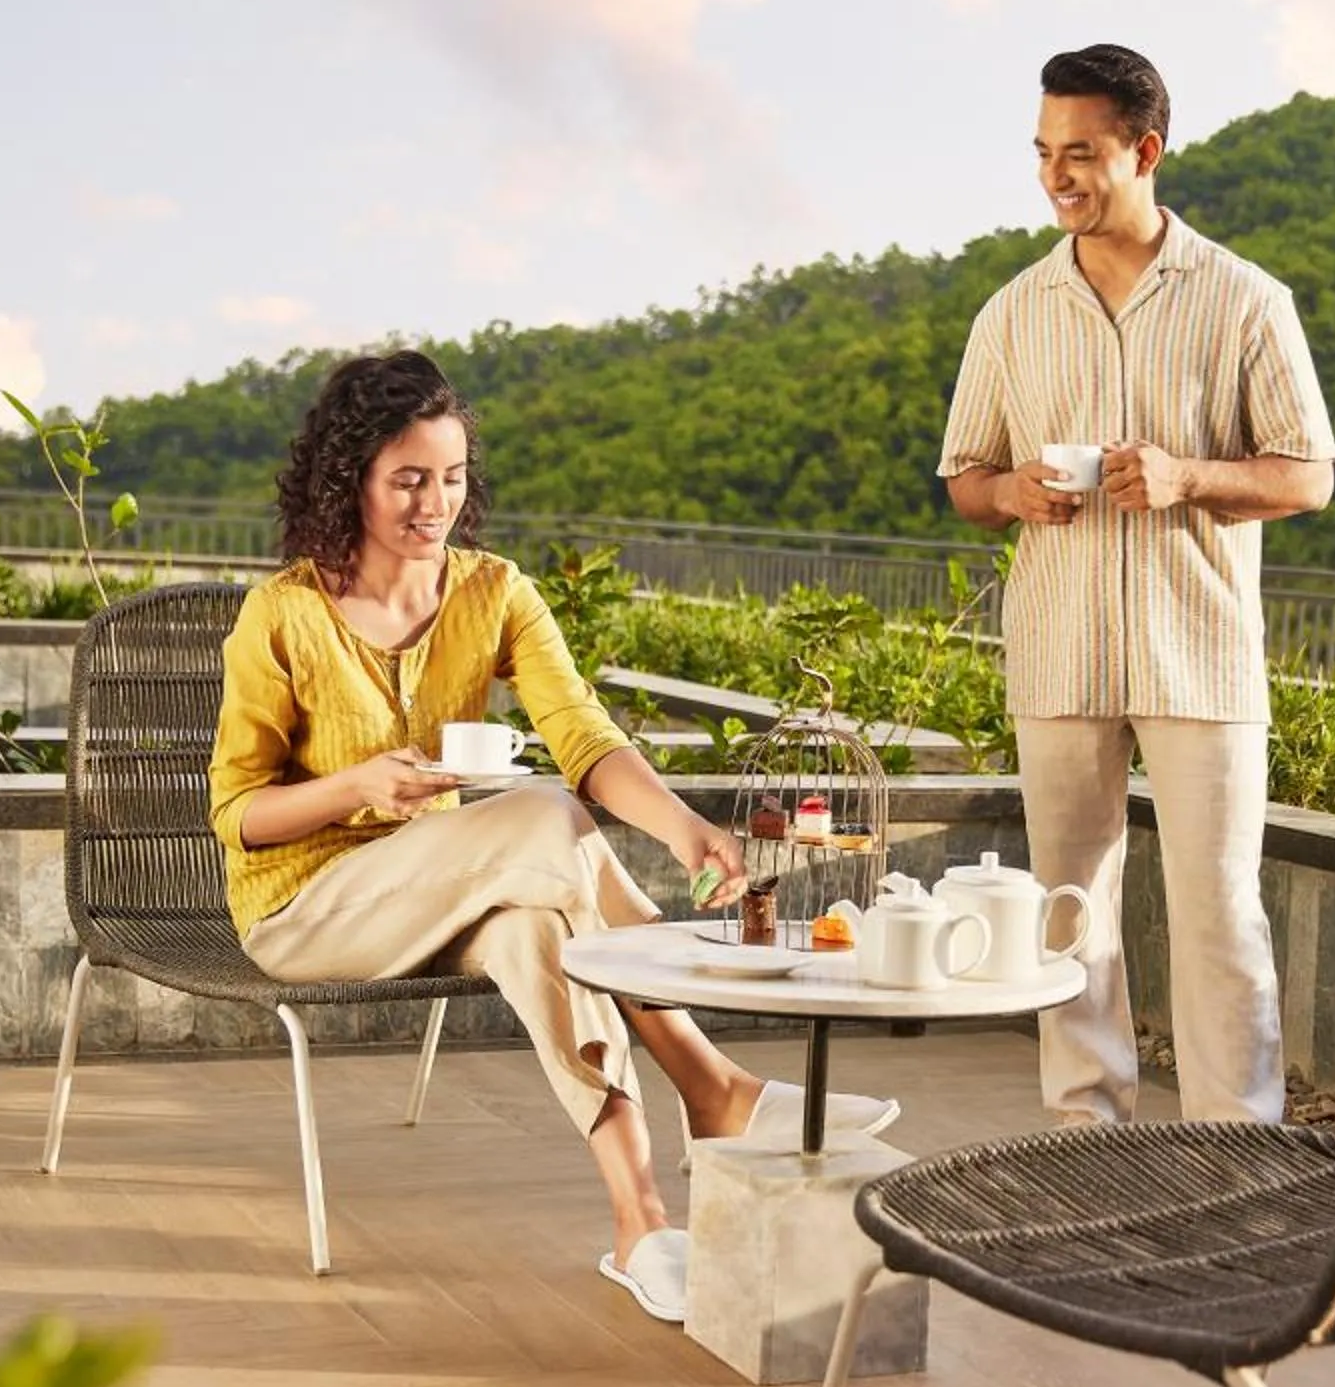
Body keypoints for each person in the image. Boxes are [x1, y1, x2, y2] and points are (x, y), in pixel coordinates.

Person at [209, 349, 900, 1323]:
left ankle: (640, 1223)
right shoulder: (280, 614)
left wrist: (686, 826)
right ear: (349, 477)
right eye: (408, 479)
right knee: (541, 815)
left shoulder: (494, 591)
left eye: (451, 478)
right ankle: (711, 1083)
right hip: (302, 906)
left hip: (448, 893)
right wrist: (355, 786)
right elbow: (237, 813)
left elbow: (579, 732)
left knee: (539, 929)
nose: (434, 502)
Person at [938, 43, 1335, 1127]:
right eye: (1041, 152)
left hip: (1199, 655)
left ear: (1144, 150)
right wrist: (1013, 492)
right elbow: (964, 482)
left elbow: (1309, 475)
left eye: (1081, 153)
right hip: (1060, 648)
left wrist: (1187, 476)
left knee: (1219, 914)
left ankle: (1234, 1150)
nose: (1055, 176)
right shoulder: (1010, 315)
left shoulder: (1248, 302)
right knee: (1071, 913)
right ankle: (1085, 1140)